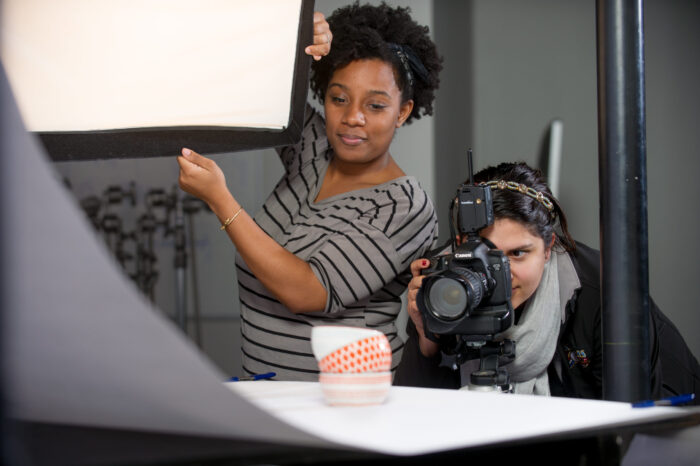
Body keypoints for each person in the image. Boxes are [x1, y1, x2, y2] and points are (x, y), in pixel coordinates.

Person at [178, 3, 443, 380]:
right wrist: (294, 38)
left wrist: (221, 200)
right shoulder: (313, 151)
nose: (353, 116)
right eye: (339, 99)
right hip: (273, 398)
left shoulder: (403, 206)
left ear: (402, 112)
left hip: (352, 407)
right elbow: (249, 80)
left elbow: (308, 292)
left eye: (376, 105)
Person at [394, 162, 700, 402]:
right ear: (460, 243)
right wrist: (428, 338)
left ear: (548, 247)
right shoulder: (443, 282)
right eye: (488, 254)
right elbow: (413, 417)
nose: (501, 273)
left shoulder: (604, 292)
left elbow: (629, 428)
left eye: (518, 254)